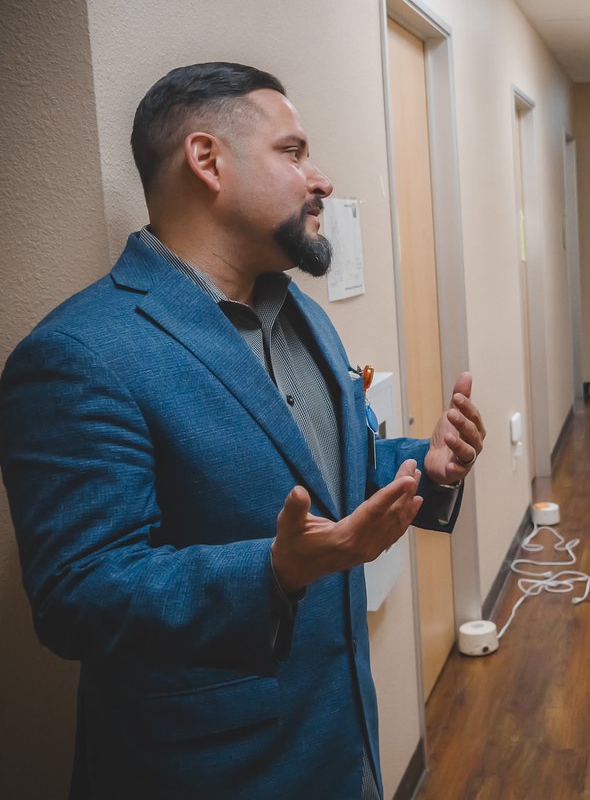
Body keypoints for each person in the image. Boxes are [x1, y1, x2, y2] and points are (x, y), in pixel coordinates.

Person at [0, 62, 486, 799]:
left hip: (343, 745)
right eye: (293, 152)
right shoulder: (80, 354)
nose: (320, 177)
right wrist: (273, 571)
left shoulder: (303, 317)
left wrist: (427, 465)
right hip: (216, 772)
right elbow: (78, 595)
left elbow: (326, 477)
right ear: (207, 161)